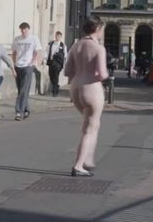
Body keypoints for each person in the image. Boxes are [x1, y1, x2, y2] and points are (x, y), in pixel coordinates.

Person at [64, 15, 109, 177]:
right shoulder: (98, 48)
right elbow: (103, 74)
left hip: (75, 87)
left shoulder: (75, 46)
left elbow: (67, 71)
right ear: (97, 29)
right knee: (89, 128)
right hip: (91, 88)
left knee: (92, 124)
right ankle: (79, 164)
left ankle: (88, 158)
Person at [11, 22, 42, 121]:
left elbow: (37, 52)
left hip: (28, 66)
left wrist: (33, 62)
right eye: (22, 29)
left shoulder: (34, 39)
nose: (23, 31)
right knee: (21, 90)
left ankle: (18, 112)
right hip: (18, 66)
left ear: (28, 29)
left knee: (24, 89)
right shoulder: (17, 39)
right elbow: (14, 52)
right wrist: (14, 63)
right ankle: (27, 109)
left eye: (25, 29)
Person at [45, 31, 68, 97]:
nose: (57, 37)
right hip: (51, 62)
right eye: (56, 36)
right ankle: (57, 86)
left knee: (56, 75)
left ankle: (54, 92)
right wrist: (44, 60)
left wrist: (64, 64)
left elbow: (65, 55)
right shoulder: (51, 44)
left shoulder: (63, 45)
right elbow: (46, 52)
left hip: (58, 63)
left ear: (61, 37)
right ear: (55, 36)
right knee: (51, 75)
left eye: (59, 36)